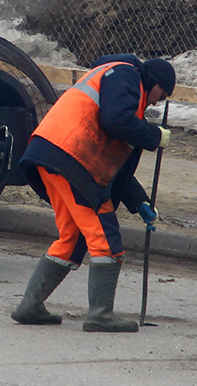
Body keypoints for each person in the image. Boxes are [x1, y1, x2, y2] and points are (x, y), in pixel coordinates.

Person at [11, 54, 175, 333]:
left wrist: (140, 202)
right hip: (73, 159)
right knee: (105, 239)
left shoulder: (120, 86)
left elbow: (117, 168)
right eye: (163, 93)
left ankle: (30, 306)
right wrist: (151, 135)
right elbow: (115, 121)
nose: (158, 102)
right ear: (155, 81)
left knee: (72, 238)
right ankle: (100, 315)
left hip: (53, 158)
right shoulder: (127, 75)